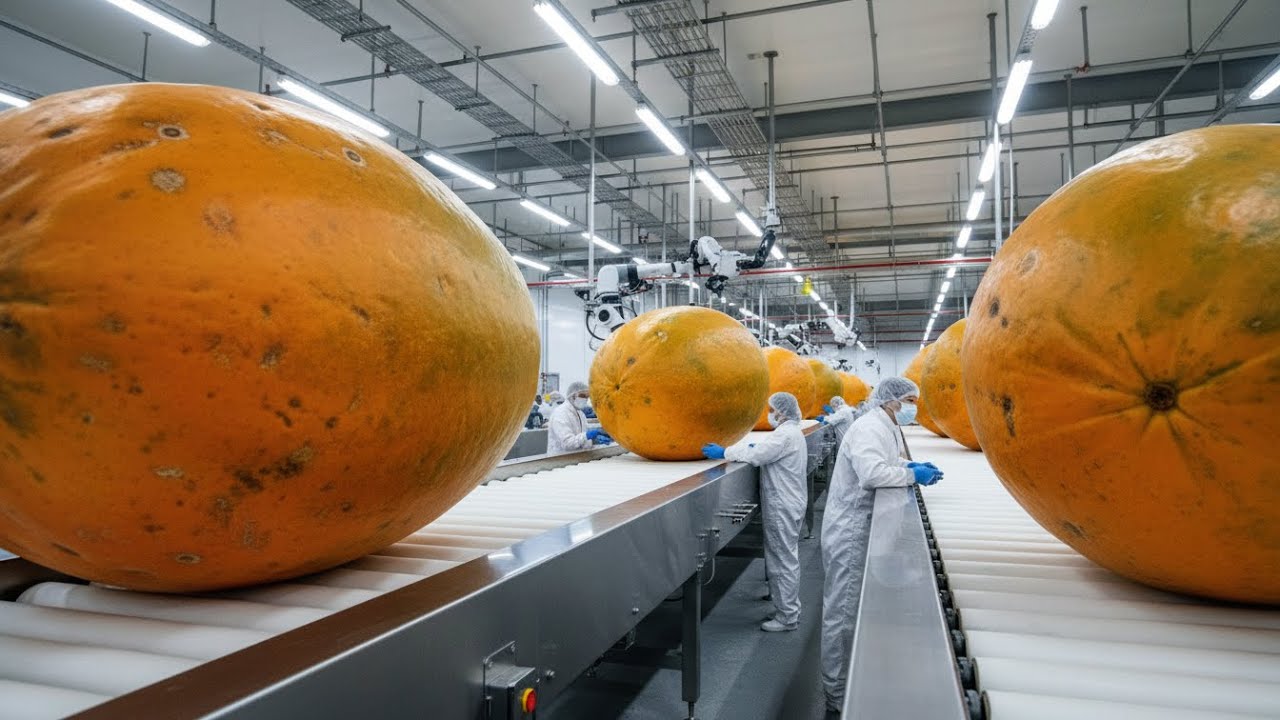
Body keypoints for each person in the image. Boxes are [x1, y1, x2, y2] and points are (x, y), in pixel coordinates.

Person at [819, 377, 943, 712]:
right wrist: (911, 476)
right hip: (849, 530)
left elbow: (886, 461)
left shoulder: (884, 425)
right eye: (909, 400)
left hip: (859, 526)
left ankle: (843, 683)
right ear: (891, 401)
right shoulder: (869, 428)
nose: (913, 406)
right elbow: (872, 474)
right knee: (842, 612)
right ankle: (837, 694)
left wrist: (909, 466)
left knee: (849, 607)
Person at [702, 392, 808, 632]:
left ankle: (788, 616)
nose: (769, 414)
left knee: (783, 560)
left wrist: (725, 452)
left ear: (781, 412)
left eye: (772, 410)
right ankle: (785, 604)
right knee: (783, 557)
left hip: (783, 505)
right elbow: (763, 449)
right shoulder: (790, 433)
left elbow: (757, 455)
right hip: (789, 502)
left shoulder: (783, 435)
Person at [547, 382, 610, 454]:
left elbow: (580, 440)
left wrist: (593, 441)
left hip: (576, 458)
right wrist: (587, 435)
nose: (585, 399)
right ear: (573, 396)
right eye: (582, 395)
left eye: (587, 396)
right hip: (558, 459)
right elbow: (567, 443)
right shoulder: (560, 414)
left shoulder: (580, 414)